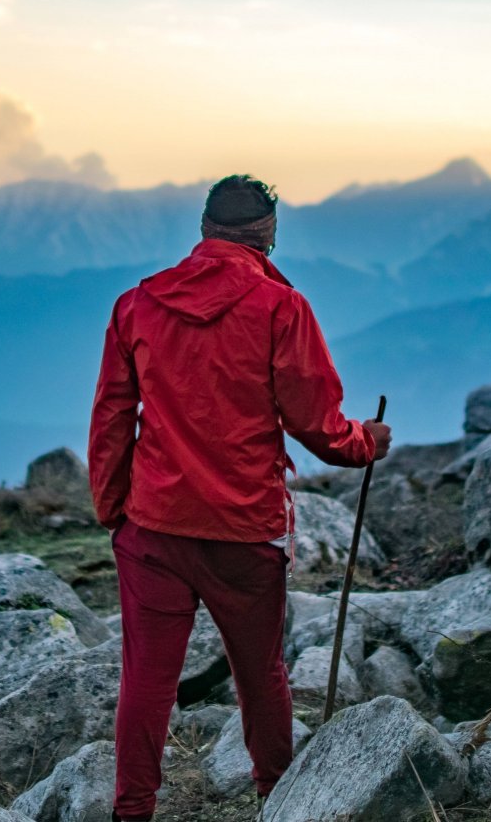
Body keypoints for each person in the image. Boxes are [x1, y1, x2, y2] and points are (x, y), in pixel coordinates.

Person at [88, 174, 391, 821]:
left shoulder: (136, 305)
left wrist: (114, 510)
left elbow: (113, 414)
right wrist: (366, 441)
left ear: (204, 229)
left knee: (146, 683)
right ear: (268, 235)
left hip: (154, 530)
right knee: (261, 675)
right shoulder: (283, 310)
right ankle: (276, 798)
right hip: (245, 532)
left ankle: (132, 811)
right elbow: (319, 427)